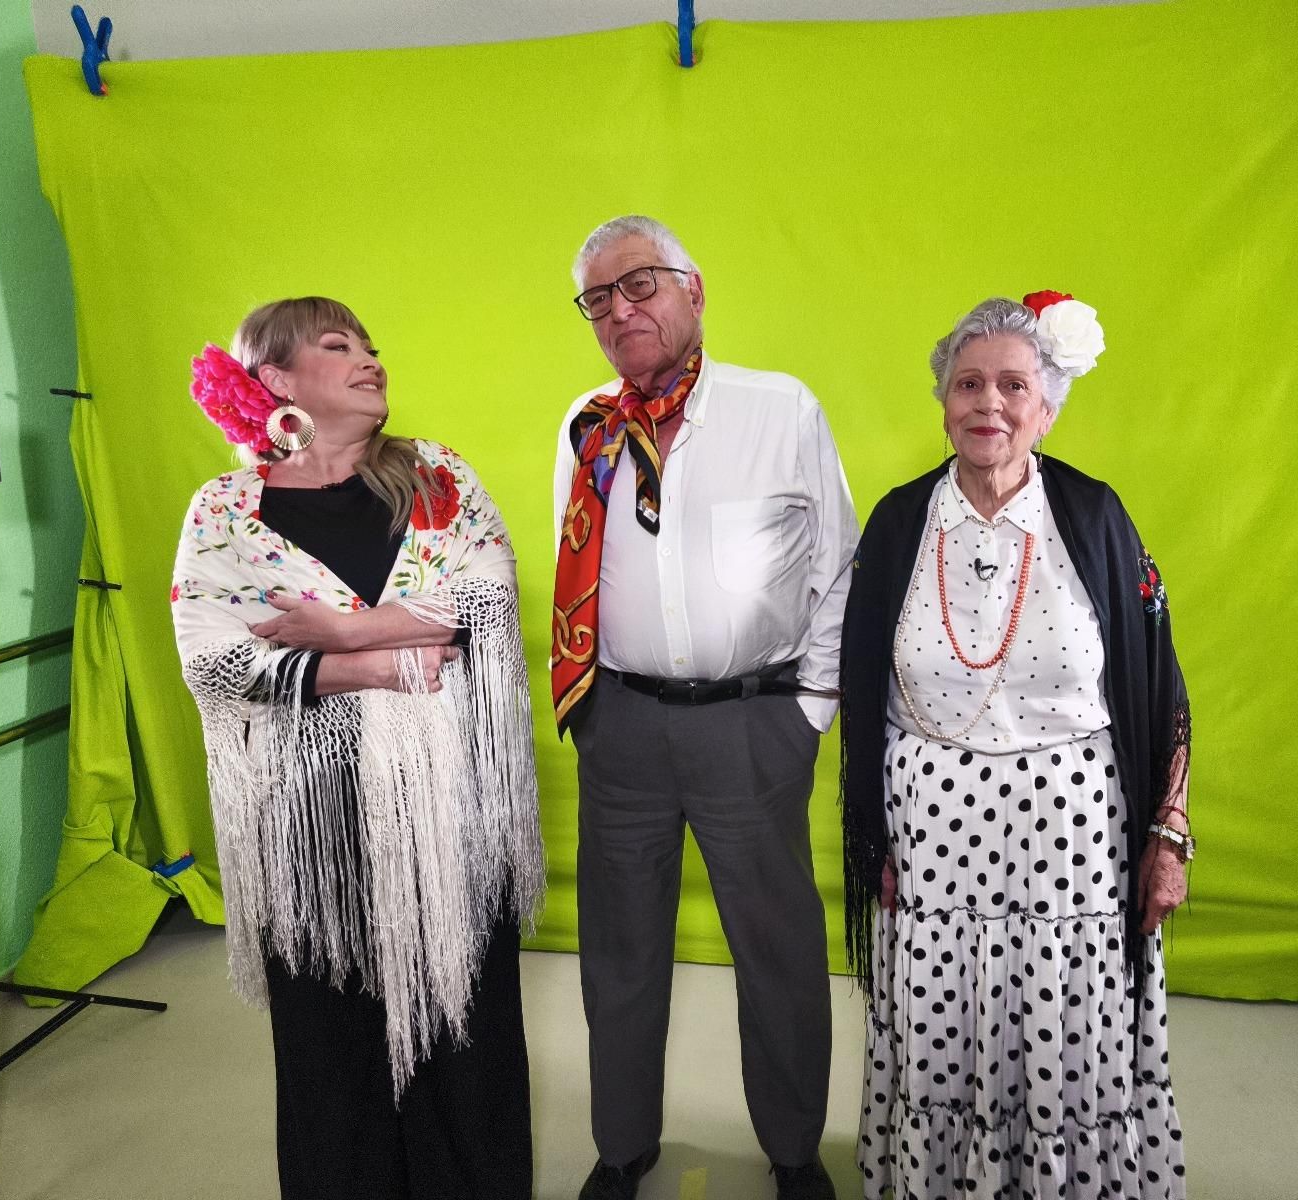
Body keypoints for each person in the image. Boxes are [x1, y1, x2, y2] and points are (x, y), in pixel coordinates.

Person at [171, 297, 545, 1200]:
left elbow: (486, 601)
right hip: (308, 818)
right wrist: (373, 664)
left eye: (372, 346)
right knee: (330, 1040)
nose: (370, 360)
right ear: (276, 381)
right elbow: (214, 658)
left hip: (449, 800)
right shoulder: (225, 510)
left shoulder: (434, 477)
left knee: (464, 1027)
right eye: (339, 347)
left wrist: (329, 632)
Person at [839, 294, 1191, 1199]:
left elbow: (1164, 691)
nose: (986, 403)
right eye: (967, 383)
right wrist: (870, 836)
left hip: (1072, 842)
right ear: (943, 401)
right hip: (933, 839)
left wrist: (1169, 836)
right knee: (938, 1040)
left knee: (1061, 1037)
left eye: (1011, 385)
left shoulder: (1095, 516)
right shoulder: (898, 522)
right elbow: (864, 692)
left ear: (1048, 405)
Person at [550, 216, 858, 1200]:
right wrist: (593, 706)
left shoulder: (781, 409)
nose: (619, 310)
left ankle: (794, 1151)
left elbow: (838, 563)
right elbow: (577, 568)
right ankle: (622, 1146)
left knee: (777, 949)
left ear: (693, 288)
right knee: (619, 951)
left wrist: (808, 707)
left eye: (638, 284)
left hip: (753, 725)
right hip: (622, 727)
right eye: (597, 298)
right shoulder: (586, 425)